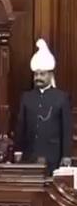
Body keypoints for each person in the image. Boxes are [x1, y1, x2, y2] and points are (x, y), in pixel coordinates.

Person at [15, 39, 73, 175]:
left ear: (50, 75)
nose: (38, 77)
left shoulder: (61, 97)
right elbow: (21, 126)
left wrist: (66, 155)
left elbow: (66, 129)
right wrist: (18, 150)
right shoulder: (26, 97)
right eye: (36, 74)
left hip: (53, 155)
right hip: (30, 154)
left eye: (42, 74)